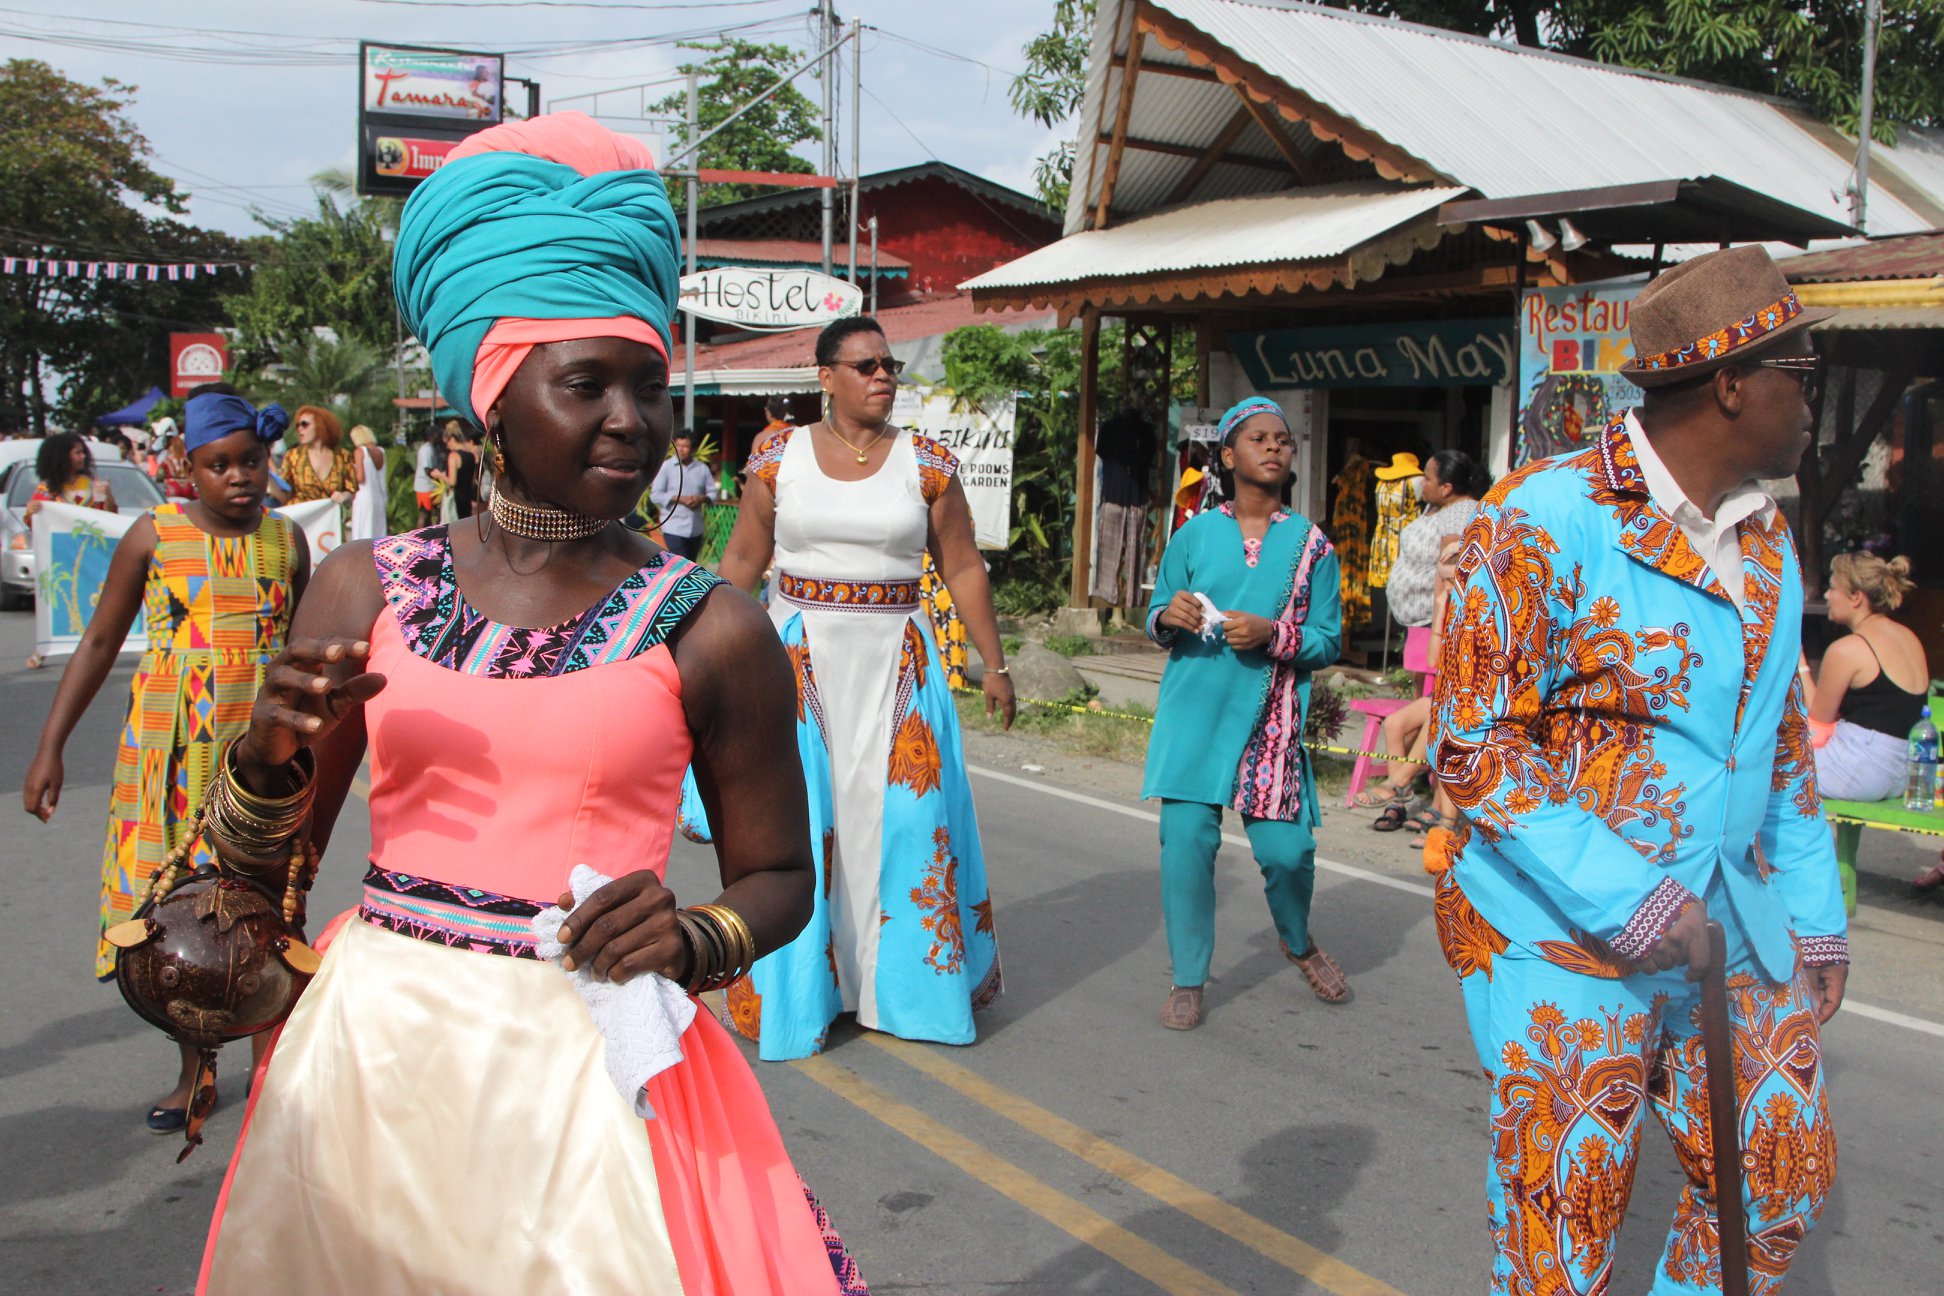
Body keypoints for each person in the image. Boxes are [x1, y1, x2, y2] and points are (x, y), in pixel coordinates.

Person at [192, 112, 866, 1295]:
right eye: (587, 384)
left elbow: (781, 878)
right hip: (373, 1064)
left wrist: (695, 937)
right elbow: (253, 876)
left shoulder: (713, 626)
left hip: (589, 1073)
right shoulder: (363, 586)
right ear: (490, 399)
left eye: (651, 386)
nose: (631, 420)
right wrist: (262, 762)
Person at [1429, 244, 1846, 1295]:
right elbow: (1475, 749)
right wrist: (1640, 902)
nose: (1815, 407)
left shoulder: (1766, 542)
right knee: (1560, 1242)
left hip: (1736, 928)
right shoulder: (1540, 519)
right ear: (1732, 383)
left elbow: (1782, 740)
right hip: (1567, 936)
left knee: (1778, 1180)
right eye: (1804, 378)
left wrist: (1813, 910)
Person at [710, 314, 1012, 1062]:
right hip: (798, 664)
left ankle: (903, 996)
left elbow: (964, 565)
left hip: (898, 667)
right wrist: (693, 652)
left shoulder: (928, 463)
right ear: (826, 377)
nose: (884, 376)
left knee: (909, 828)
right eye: (866, 364)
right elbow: (744, 560)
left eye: (890, 366)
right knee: (803, 828)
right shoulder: (778, 459)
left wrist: (995, 663)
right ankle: (808, 995)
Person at [22, 385, 307, 1133]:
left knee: (268, 914)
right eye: (221, 465)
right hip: (171, 756)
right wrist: (49, 747)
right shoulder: (154, 537)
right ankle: (195, 1071)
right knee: (180, 919)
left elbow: (307, 653)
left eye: (253, 460)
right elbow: (97, 644)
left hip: (262, 765)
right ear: (187, 465)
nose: (240, 477)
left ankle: (272, 1074)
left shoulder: (290, 543)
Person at [1142, 396, 1345, 1031]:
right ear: (1228, 457)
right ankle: (1188, 978)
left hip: (1271, 721)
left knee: (1287, 853)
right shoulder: (1193, 534)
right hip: (1193, 715)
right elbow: (1155, 611)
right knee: (1186, 845)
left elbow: (1329, 640)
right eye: (1258, 438)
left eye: (1283, 439)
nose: (1274, 447)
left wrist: (1273, 633)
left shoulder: (1314, 547)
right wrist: (1164, 618)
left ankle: (1296, 939)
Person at [1354, 448, 1492, 830]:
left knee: (1438, 712)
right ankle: (1407, 795)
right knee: (1419, 711)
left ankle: (1428, 801)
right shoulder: (1437, 509)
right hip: (1423, 625)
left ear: (1447, 487)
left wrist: (1439, 619)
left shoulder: (1461, 514)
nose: (1421, 483)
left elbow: (1449, 572)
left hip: (1443, 625)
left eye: (1428, 478)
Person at [1805, 551, 1927, 804]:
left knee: (1764, 770)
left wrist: (1800, 665)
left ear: (1856, 598)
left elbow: (1818, 720)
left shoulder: (1847, 649)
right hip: (1901, 771)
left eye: (1833, 588)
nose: (1827, 596)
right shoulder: (1909, 637)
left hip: (1859, 767)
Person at [23, 431, 118, 527]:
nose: (83, 456)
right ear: (62, 456)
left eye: (83, 452)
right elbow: (35, 524)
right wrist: (32, 510)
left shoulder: (94, 484)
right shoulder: (46, 488)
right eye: (78, 453)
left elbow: (109, 518)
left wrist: (108, 496)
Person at [649, 428, 717, 560]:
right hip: (673, 526)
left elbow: (713, 493)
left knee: (691, 565)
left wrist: (701, 499)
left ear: (693, 448)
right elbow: (655, 495)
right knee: (681, 563)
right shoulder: (666, 467)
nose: (680, 449)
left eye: (685, 446)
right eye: (678, 445)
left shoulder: (702, 469)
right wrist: (680, 499)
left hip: (695, 527)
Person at [280, 405, 356, 505]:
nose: (300, 429)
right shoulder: (292, 456)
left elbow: (352, 491)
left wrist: (345, 496)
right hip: (300, 516)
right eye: (297, 425)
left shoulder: (343, 456)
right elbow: (283, 491)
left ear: (321, 425)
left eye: (304, 424)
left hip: (330, 516)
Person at [347, 424, 390, 541]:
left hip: (364, 497)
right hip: (380, 498)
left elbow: (360, 477)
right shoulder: (381, 451)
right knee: (378, 535)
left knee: (363, 534)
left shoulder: (360, 451)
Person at [441, 422, 480, 520]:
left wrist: (439, 475)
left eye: (447, 442)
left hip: (456, 499)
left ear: (453, 439)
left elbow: (452, 482)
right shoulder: (472, 455)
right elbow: (473, 479)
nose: (447, 446)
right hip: (467, 497)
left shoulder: (453, 456)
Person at [413, 425, 443, 524]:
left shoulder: (434, 448)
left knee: (430, 514)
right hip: (425, 487)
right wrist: (441, 478)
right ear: (432, 435)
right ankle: (418, 536)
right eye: (438, 434)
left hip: (431, 486)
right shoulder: (426, 449)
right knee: (424, 513)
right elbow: (428, 470)